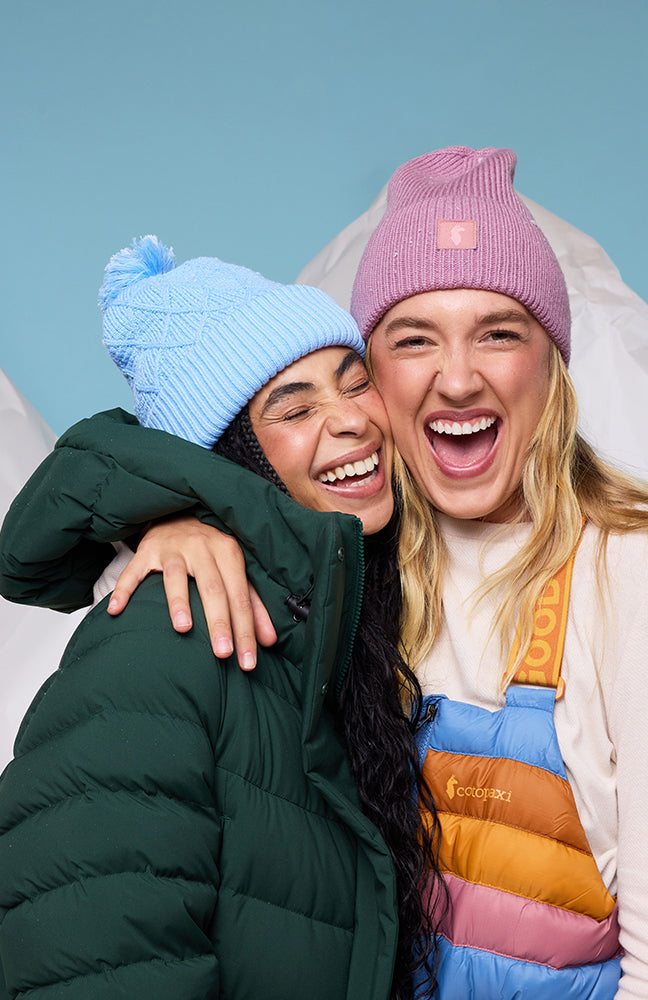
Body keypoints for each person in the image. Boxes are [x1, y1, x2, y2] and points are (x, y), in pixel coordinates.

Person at [3, 148, 648, 998]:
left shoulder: (641, 576)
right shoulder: (342, 577)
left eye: (499, 332)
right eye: (413, 341)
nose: (457, 377)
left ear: (551, 365)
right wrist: (167, 520)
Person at [0, 238, 442, 1000]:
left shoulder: (339, 623)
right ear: (228, 456)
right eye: (295, 408)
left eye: (356, 382)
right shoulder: (160, 643)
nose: (351, 421)